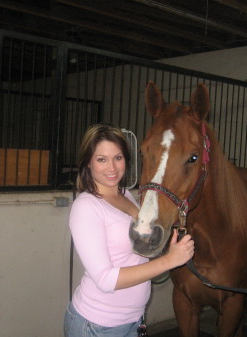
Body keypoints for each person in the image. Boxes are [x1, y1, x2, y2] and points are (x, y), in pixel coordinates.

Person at [64, 124, 194, 337]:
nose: (112, 168)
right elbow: (106, 280)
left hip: (132, 320)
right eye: (101, 159)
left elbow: (135, 252)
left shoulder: (126, 194)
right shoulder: (87, 207)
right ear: (88, 162)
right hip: (98, 326)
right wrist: (170, 261)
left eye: (118, 157)